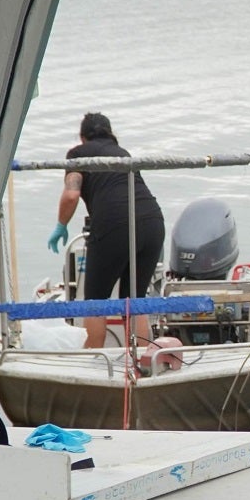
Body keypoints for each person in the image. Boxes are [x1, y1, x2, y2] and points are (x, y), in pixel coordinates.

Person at [51, 111, 165, 348]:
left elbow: (71, 194)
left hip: (113, 224)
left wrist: (61, 225)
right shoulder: (123, 154)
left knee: (95, 302)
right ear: (110, 134)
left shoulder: (77, 155)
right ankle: (143, 362)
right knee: (134, 300)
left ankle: (93, 362)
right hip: (152, 222)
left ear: (83, 137)